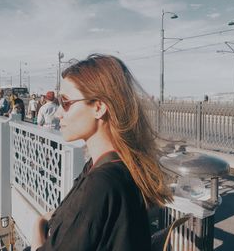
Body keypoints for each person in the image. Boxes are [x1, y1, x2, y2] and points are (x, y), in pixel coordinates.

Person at [30, 54, 172, 251]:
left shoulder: (101, 183)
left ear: (98, 108)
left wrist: (37, 224)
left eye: (66, 103)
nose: (58, 113)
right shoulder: (119, 165)